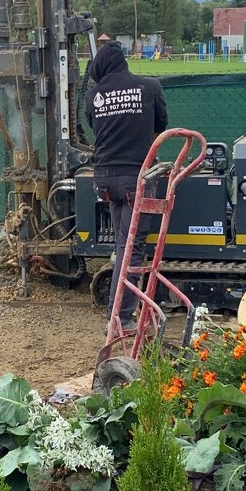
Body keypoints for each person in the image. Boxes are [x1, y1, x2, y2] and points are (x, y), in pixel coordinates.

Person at [85, 40, 168, 330]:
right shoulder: (150, 87)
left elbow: (96, 129)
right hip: (137, 179)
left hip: (105, 178)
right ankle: (119, 318)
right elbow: (161, 127)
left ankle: (117, 312)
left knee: (124, 245)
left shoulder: (93, 95)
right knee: (131, 248)